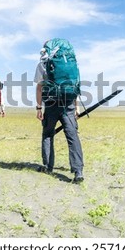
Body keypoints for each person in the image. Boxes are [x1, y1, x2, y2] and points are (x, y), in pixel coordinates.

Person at [34, 39, 84, 183]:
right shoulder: (71, 62)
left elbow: (39, 87)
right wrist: (77, 106)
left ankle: (48, 167)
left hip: (51, 105)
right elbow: (75, 85)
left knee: (48, 134)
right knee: (72, 136)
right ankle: (78, 171)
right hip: (68, 104)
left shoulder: (43, 63)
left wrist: (39, 107)